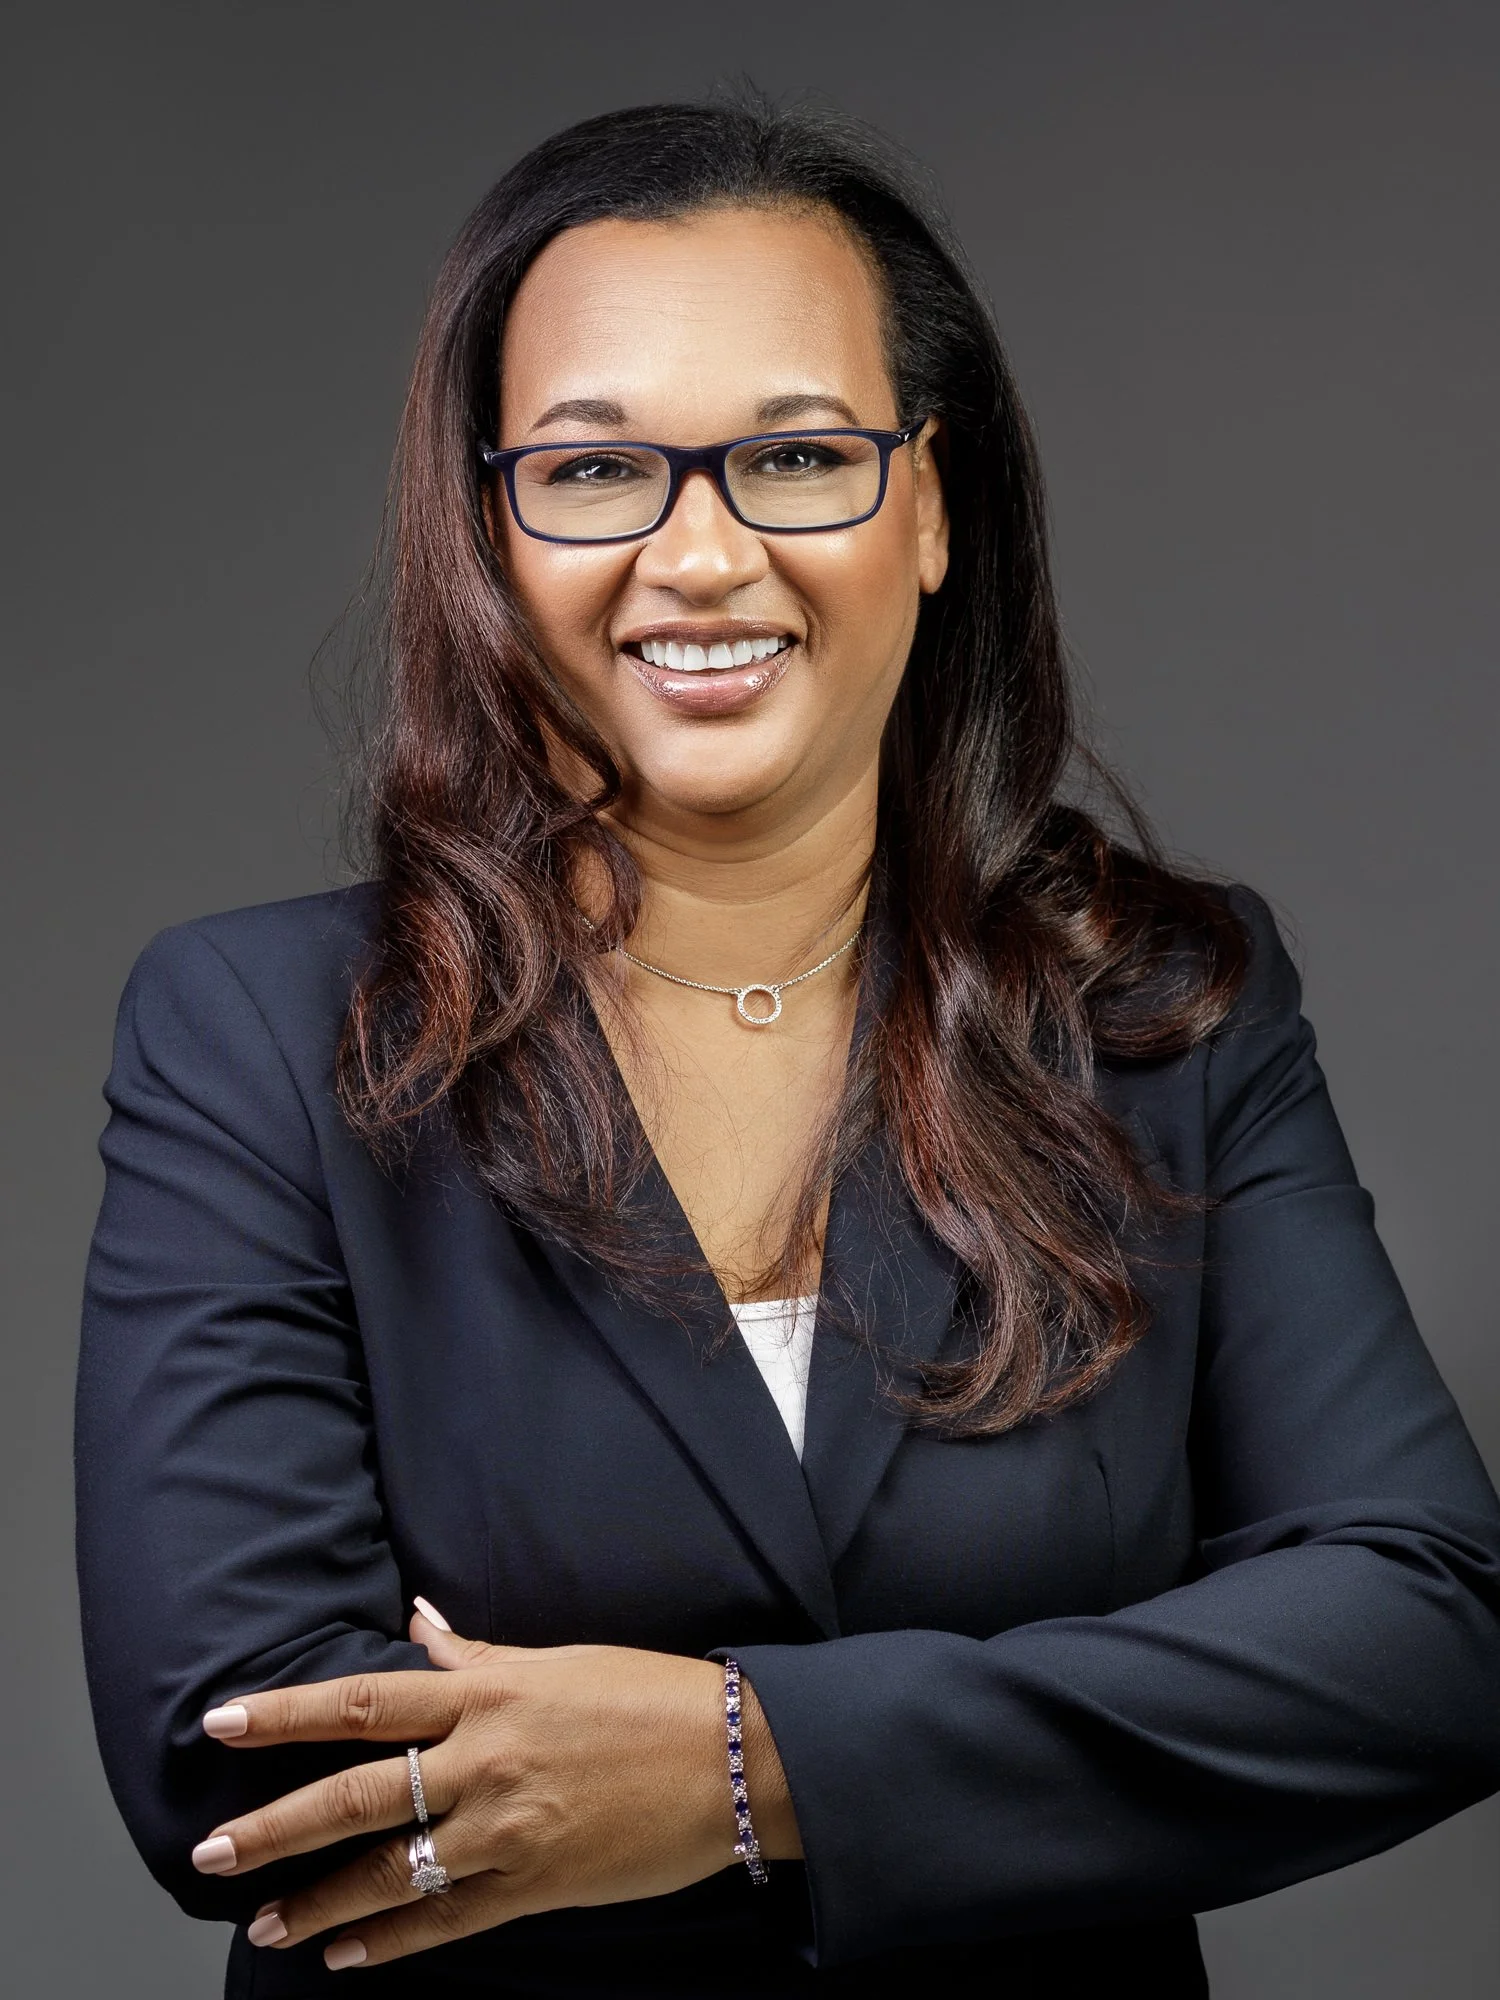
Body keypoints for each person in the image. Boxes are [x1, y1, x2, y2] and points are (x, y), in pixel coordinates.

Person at [75, 97, 1500, 2000]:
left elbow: (1425, 1633)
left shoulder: (1158, 1013)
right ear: (492, 531)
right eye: (595, 474)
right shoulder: (257, 1036)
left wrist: (752, 1770)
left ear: (931, 507)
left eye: (799, 454)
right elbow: (239, 1765)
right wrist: (1040, 1741)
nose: (702, 553)